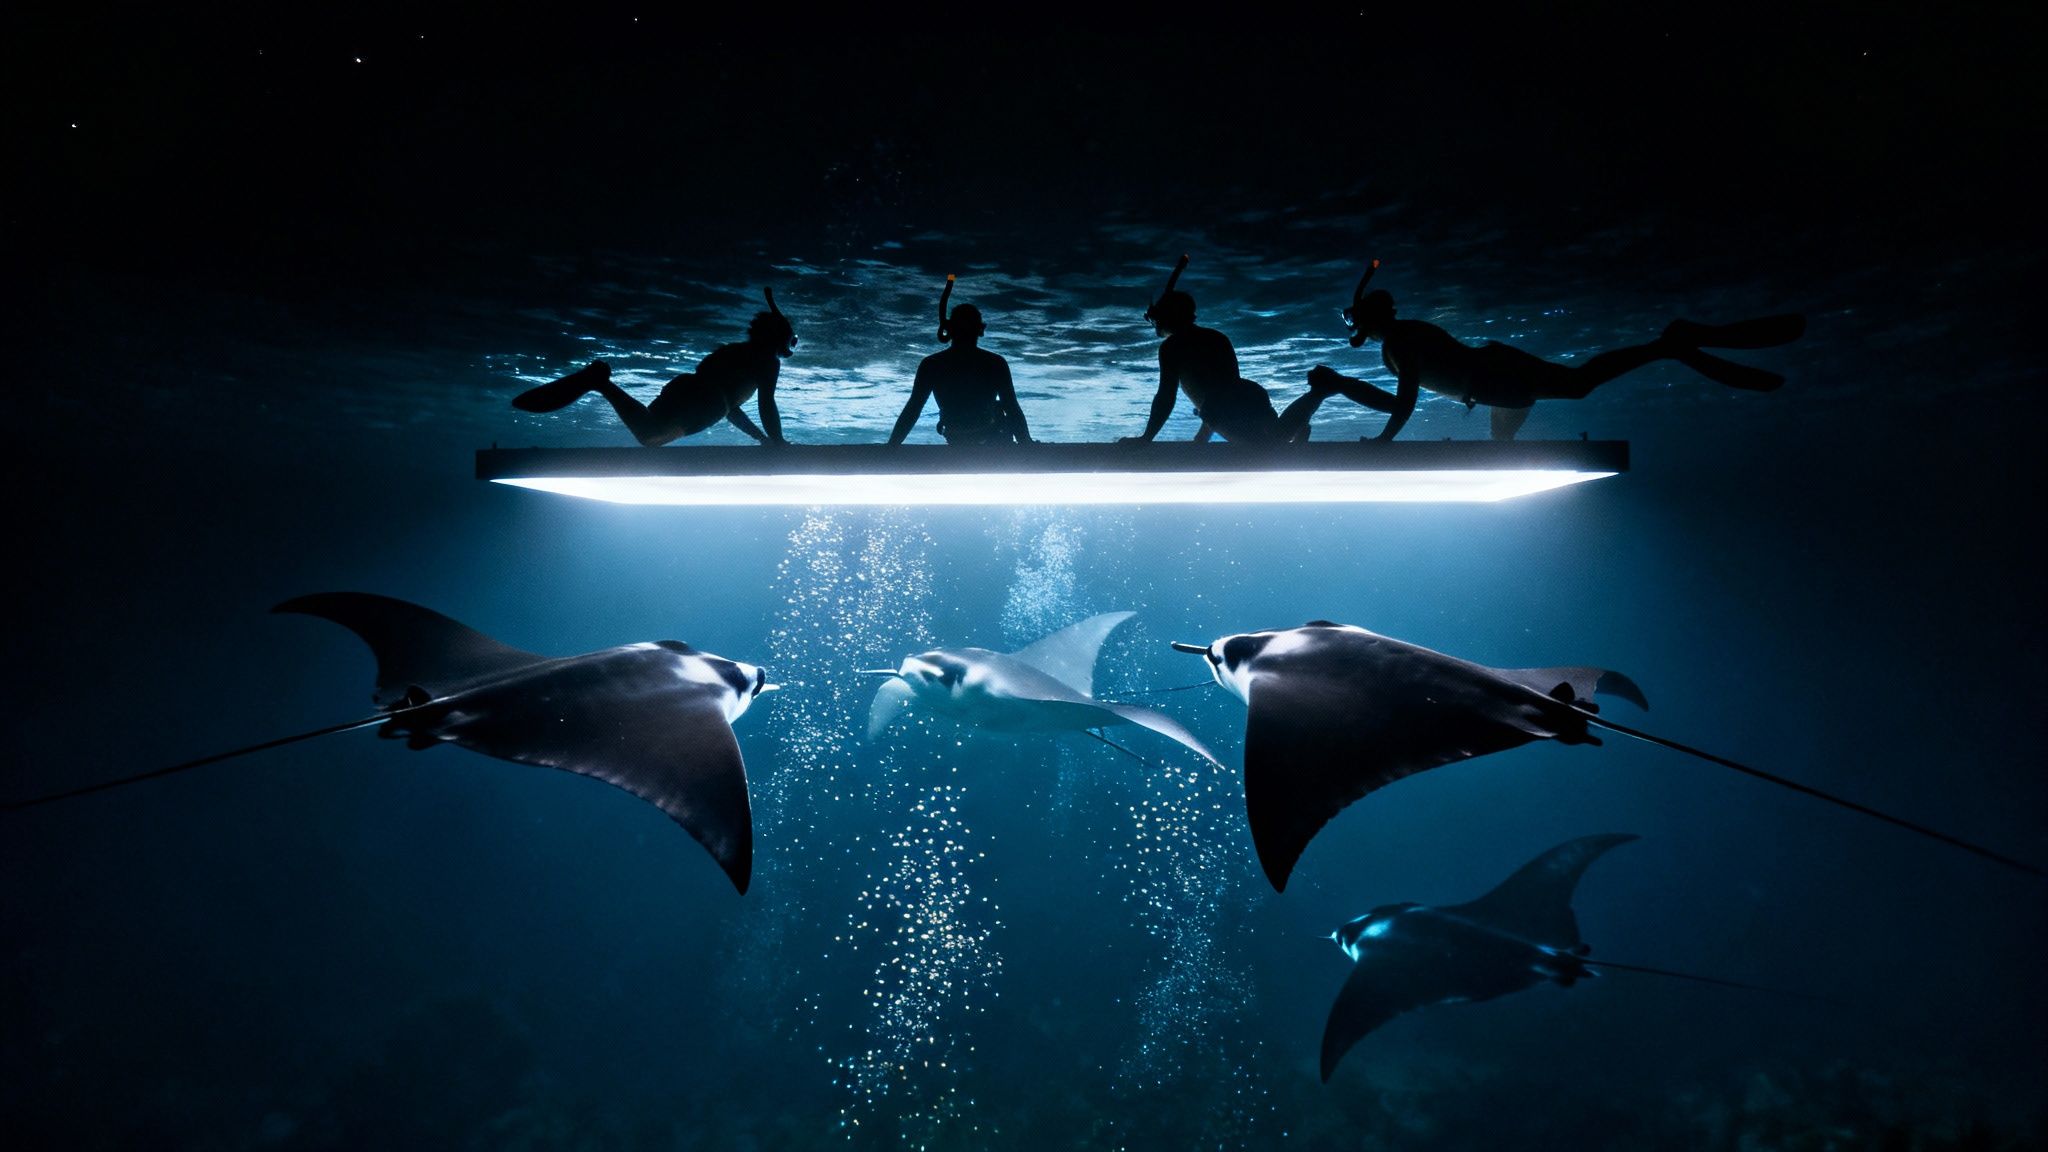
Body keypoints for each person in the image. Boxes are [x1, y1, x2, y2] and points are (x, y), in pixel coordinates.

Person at [1310, 264, 1804, 440]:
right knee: (1565, 388)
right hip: (1494, 379)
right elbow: (1473, 385)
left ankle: (1667, 344)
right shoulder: (1406, 334)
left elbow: (1408, 397)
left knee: (1579, 384)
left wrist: (1384, 441)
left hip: (1495, 376)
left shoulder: (1398, 343)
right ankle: (1667, 345)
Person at [511, 289, 799, 446]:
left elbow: (731, 409)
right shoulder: (766, 361)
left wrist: (762, 438)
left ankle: (599, 383)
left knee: (649, 432)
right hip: (704, 402)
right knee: (650, 436)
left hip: (691, 391)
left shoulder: (734, 352)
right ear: (779, 339)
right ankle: (599, 382)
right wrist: (778, 442)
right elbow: (766, 403)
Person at [1119, 287, 1334, 444]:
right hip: (1250, 393)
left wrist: (1146, 438)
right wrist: (1202, 435)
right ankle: (1309, 405)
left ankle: (1316, 395)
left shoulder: (1171, 347)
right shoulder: (1217, 337)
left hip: (1221, 410)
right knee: (1277, 435)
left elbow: (1166, 396)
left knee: (1265, 448)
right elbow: (1223, 387)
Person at [887, 300, 1033, 446]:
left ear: (949, 329)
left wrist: (892, 444)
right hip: (986, 431)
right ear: (981, 329)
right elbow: (1011, 407)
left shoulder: (932, 364)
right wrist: (1026, 444)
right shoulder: (995, 363)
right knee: (999, 406)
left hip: (954, 433)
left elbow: (913, 408)